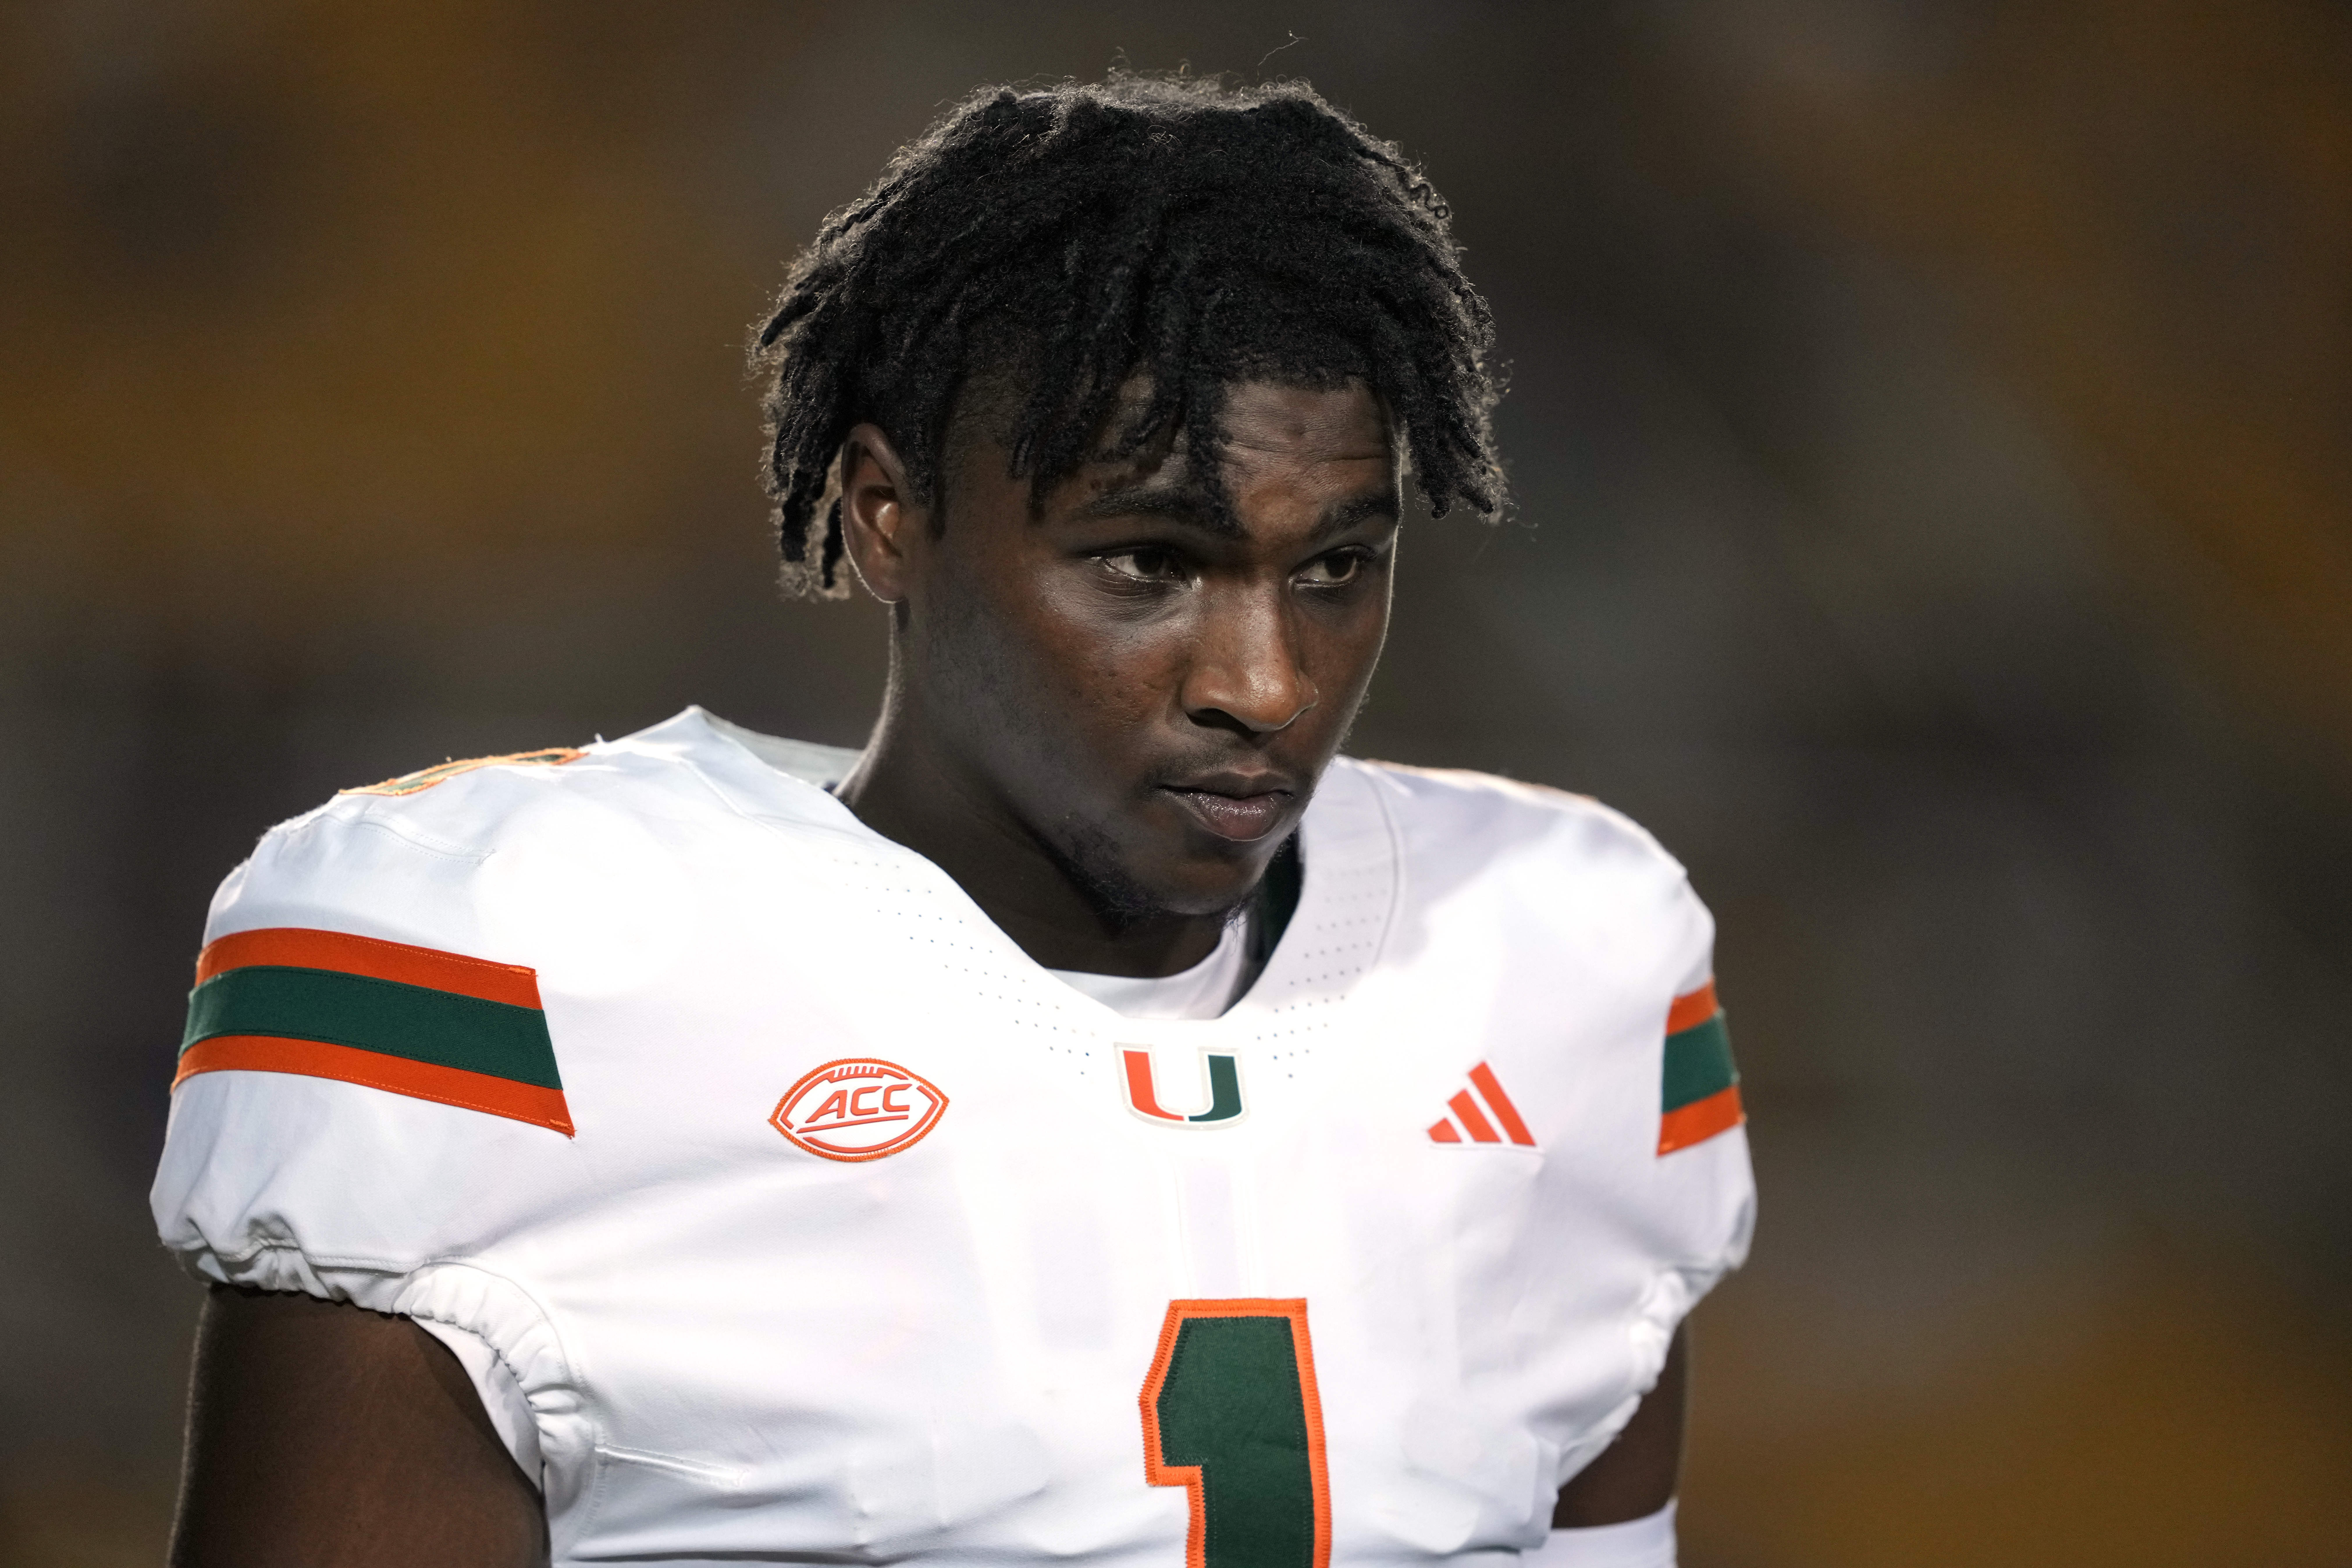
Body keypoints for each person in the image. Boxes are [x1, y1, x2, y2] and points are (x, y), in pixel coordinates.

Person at [156, 74, 1753, 1568]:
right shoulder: (509, 947)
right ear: (886, 514)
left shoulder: (1564, 949)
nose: (1263, 682)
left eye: (1331, 566)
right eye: (1145, 560)